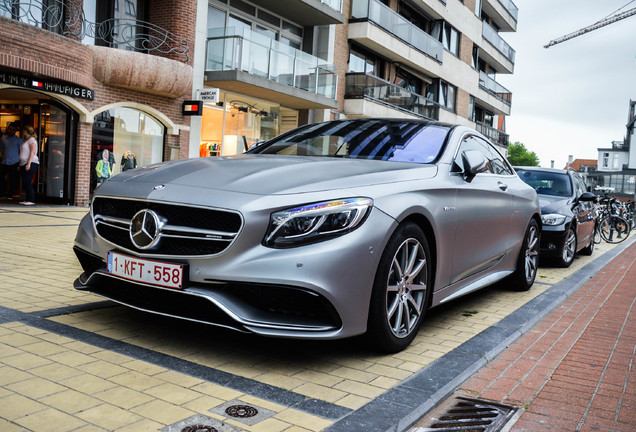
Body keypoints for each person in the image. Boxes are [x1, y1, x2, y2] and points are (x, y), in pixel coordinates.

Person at [18, 125, 39, 206]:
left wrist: (29, 163)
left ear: (26, 132)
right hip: (24, 163)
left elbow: (32, 152)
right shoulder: (26, 140)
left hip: (31, 162)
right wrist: (20, 164)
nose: (22, 132)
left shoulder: (32, 140)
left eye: (23, 131)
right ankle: (27, 199)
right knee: (25, 182)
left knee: (28, 181)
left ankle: (31, 200)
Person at [0, 122, 22, 199]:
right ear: (7, 129)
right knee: (1, 177)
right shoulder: (3, 139)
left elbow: (21, 151)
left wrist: (19, 162)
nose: (11, 131)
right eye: (10, 129)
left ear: (15, 131)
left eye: (13, 130)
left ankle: (11, 194)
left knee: (13, 179)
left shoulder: (18, 140)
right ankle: (2, 193)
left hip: (14, 162)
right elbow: (2, 149)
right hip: (5, 161)